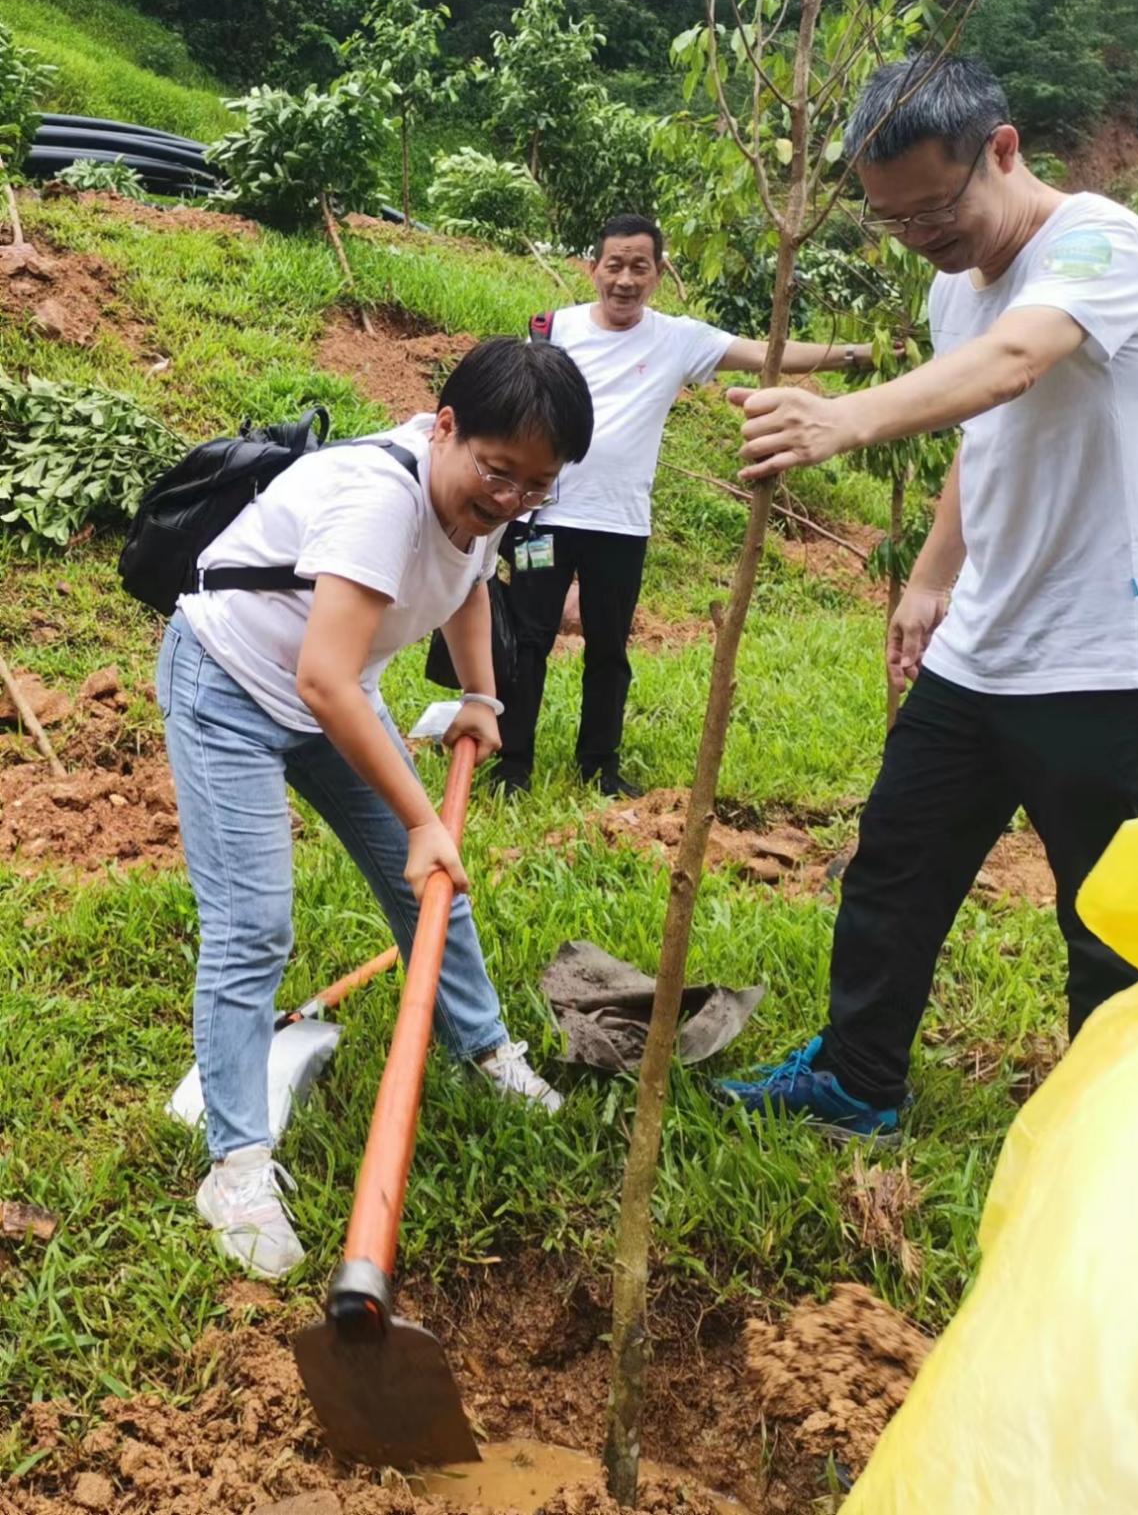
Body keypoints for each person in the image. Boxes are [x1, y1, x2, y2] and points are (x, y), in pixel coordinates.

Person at [720, 54, 1138, 1142]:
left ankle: (1109, 1132)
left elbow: (1016, 362)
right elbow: (979, 430)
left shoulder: (1099, 243)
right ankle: (857, 1081)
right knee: (894, 864)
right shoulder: (953, 287)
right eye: (892, 221)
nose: (920, 237)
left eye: (936, 209)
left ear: (1002, 149)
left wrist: (845, 418)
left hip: (1105, 654)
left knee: (1104, 914)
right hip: (982, 645)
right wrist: (931, 578)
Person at [158, 337, 593, 1277]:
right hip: (230, 687)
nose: (512, 500)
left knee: (430, 886)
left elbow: (468, 579)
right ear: (446, 428)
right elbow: (322, 677)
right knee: (252, 928)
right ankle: (236, 1167)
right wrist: (423, 817)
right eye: (499, 473)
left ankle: (484, 1049)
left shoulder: (480, 500)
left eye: (538, 484)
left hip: (332, 694)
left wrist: (481, 696)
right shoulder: (379, 501)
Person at [494, 211, 881, 797]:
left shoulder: (677, 339)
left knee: (609, 650)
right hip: (543, 521)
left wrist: (856, 353)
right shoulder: (553, 331)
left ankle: (599, 766)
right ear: (593, 268)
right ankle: (512, 765)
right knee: (527, 641)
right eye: (614, 265)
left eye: (639, 267)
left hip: (620, 525)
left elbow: (765, 351)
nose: (625, 280)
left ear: (659, 273)